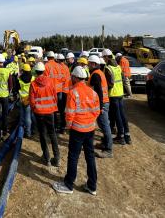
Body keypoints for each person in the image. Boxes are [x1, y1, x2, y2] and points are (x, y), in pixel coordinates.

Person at [52, 66, 100, 196]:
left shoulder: (73, 93)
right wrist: (89, 121)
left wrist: (69, 126)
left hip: (77, 129)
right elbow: (97, 111)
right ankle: (92, 185)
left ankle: (68, 184)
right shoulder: (93, 92)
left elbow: (70, 114)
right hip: (90, 129)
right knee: (90, 156)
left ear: (74, 78)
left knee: (73, 156)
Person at [29, 62, 59, 166]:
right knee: (52, 133)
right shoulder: (50, 81)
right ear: (43, 71)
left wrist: (34, 109)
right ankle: (57, 158)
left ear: (36, 72)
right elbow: (55, 95)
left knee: (42, 134)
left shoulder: (33, 84)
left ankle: (46, 158)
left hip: (39, 113)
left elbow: (32, 101)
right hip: (50, 112)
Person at [103, 49, 131, 145]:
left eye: (103, 57)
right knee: (122, 114)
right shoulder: (118, 66)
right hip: (120, 94)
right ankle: (127, 136)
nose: (103, 60)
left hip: (113, 94)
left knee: (117, 116)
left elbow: (110, 84)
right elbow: (123, 79)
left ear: (106, 57)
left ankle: (121, 137)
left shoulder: (108, 68)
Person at [87, 55, 113, 158]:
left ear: (93, 64)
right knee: (103, 125)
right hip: (104, 102)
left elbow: (99, 92)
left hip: (102, 104)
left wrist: (100, 107)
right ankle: (105, 144)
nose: (88, 65)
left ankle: (108, 150)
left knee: (105, 126)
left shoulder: (96, 75)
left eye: (89, 63)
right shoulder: (99, 73)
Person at [43, 51, 66, 134]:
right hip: (59, 90)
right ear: (54, 57)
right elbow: (63, 78)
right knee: (60, 109)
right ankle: (61, 126)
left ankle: (54, 126)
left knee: (52, 109)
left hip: (51, 91)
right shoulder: (59, 66)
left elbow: (44, 80)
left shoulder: (46, 66)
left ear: (48, 57)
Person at [16, 63, 35, 137]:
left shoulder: (20, 79)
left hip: (21, 99)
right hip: (29, 99)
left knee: (22, 115)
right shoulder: (33, 78)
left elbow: (17, 88)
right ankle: (28, 132)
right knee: (28, 117)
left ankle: (21, 130)